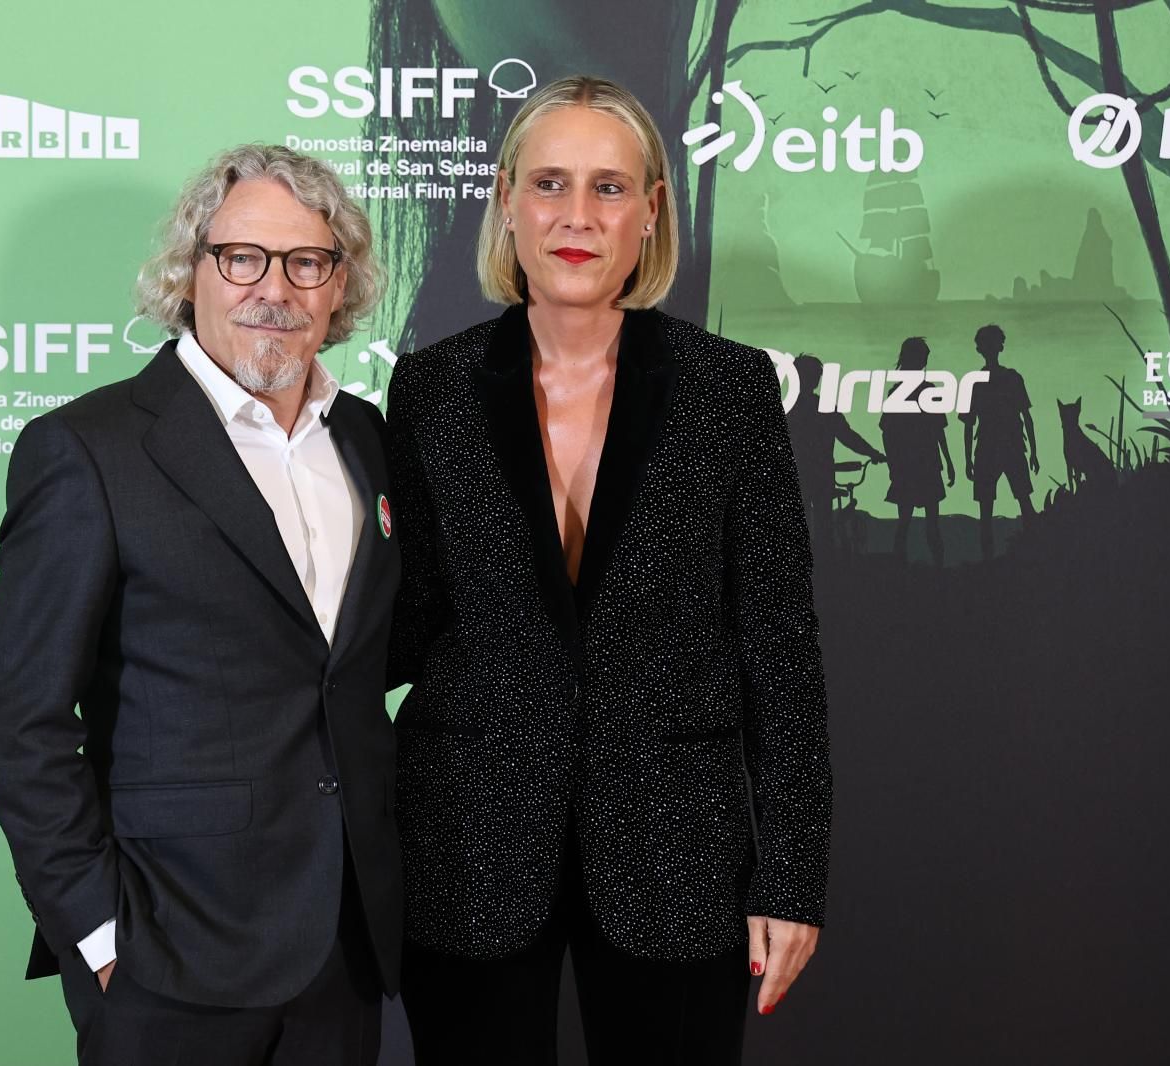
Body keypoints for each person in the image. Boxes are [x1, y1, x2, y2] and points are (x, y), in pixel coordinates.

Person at [385, 76, 832, 1065]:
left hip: (678, 845)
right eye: (548, 184)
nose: (576, 217)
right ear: (505, 200)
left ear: (651, 211)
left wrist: (791, 876)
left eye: (608, 188)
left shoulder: (728, 391)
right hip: (469, 841)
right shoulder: (431, 388)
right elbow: (404, 619)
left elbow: (781, 651)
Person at [0, 144, 401, 1066]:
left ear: (339, 289)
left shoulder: (368, 441)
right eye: (241, 257)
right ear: (192, 271)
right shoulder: (87, 450)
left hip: (344, 949)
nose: (273, 289)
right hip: (169, 955)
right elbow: (23, 719)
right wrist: (96, 932)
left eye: (307, 263)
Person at [786, 353, 886, 552]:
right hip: (819, 472)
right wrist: (872, 453)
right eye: (814, 375)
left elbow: (847, 436)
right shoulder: (822, 407)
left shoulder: (790, 407)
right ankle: (826, 564)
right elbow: (847, 436)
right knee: (823, 521)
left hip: (806, 472)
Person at [960, 323, 1037, 560]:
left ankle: (996, 560)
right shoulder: (1005, 378)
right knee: (1018, 502)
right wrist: (1034, 451)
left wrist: (1034, 451)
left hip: (997, 447)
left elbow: (969, 424)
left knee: (991, 509)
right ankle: (1028, 552)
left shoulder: (980, 381)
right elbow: (1026, 416)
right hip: (1001, 447)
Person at [879, 337, 955, 566]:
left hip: (913, 464)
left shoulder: (900, 391)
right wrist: (948, 461)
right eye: (922, 358)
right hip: (921, 464)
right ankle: (934, 568)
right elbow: (938, 430)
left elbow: (887, 433)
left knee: (908, 521)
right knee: (926, 521)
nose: (923, 362)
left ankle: (906, 568)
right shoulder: (923, 390)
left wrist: (894, 465)